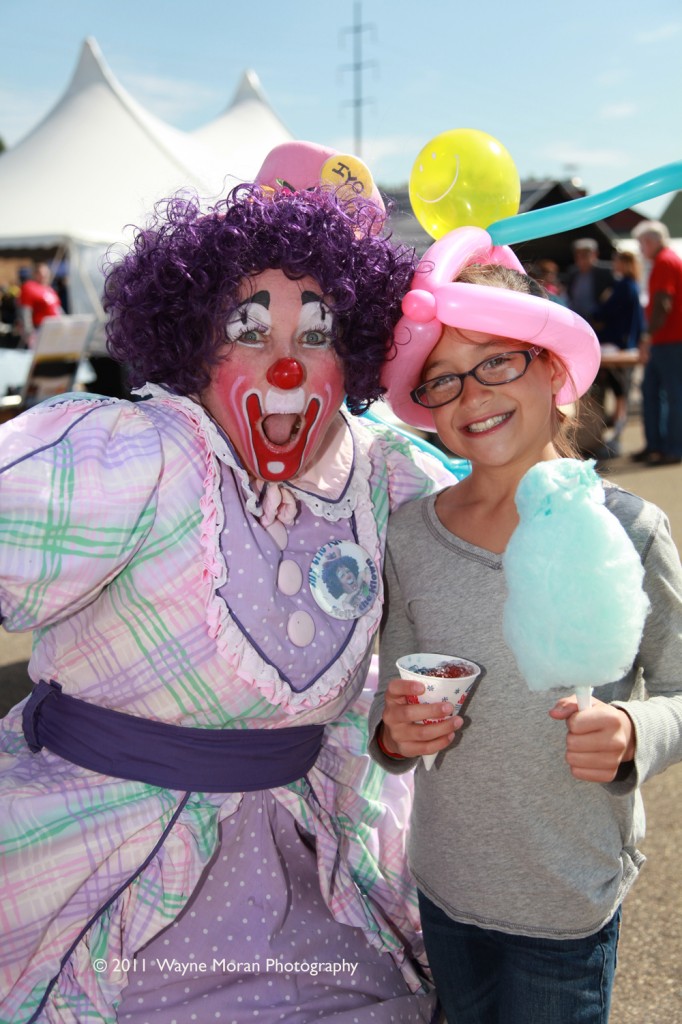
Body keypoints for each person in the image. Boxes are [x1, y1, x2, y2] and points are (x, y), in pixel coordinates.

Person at [0, 143, 453, 1023]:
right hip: (102, 860)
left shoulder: (380, 469)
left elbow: (494, 533)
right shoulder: (143, 455)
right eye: (249, 332)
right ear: (192, 349)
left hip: (301, 851)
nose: (286, 364)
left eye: (316, 336)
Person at [369, 226, 682, 1024]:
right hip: (444, 882)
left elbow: (679, 690)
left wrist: (631, 730)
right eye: (442, 380)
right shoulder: (407, 535)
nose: (472, 396)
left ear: (553, 371)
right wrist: (395, 736)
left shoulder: (629, 529)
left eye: (497, 362)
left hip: (565, 896)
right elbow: (390, 711)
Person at [630, 220, 682, 465]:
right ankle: (658, 445)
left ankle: (671, 448)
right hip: (666, 340)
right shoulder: (666, 260)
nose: (640, 249)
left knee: (670, 395)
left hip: (670, 340)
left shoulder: (664, 262)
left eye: (641, 244)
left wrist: (647, 337)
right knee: (653, 392)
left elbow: (663, 304)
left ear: (651, 242)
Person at [591, 249, 645, 453]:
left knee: (619, 391)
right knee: (622, 391)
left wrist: (597, 312)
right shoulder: (632, 285)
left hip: (615, 345)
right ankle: (616, 431)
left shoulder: (623, 286)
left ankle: (615, 433)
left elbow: (604, 311)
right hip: (626, 344)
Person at [565, 237, 615, 323]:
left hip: (598, 321)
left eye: (584, 255)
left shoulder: (606, 272)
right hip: (577, 320)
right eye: (578, 255)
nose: (581, 259)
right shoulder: (573, 273)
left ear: (595, 254)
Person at [18, 262, 63, 341]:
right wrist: (29, 332)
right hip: (40, 328)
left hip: (56, 328)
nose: (45, 275)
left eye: (46, 273)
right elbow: (26, 311)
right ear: (35, 274)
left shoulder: (50, 290)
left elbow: (57, 308)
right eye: (42, 273)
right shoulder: (29, 287)